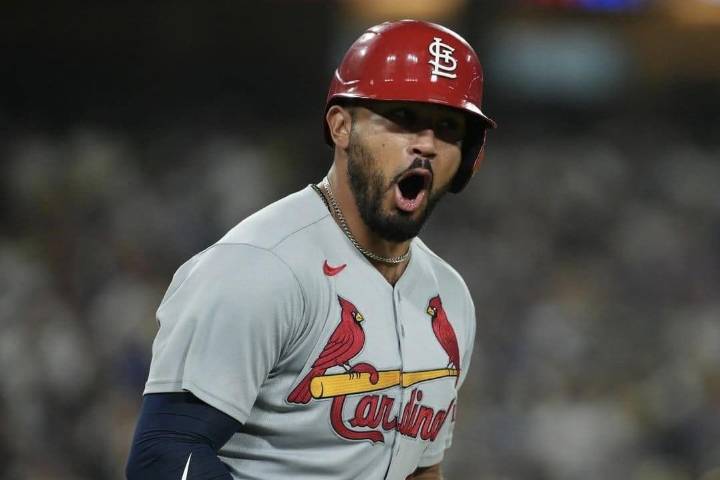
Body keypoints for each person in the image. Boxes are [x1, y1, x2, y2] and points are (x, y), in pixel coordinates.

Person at [126, 19, 496, 480]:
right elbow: (164, 456)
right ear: (341, 126)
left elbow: (421, 469)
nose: (426, 143)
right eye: (403, 117)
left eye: (448, 127)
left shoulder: (450, 298)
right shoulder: (259, 265)